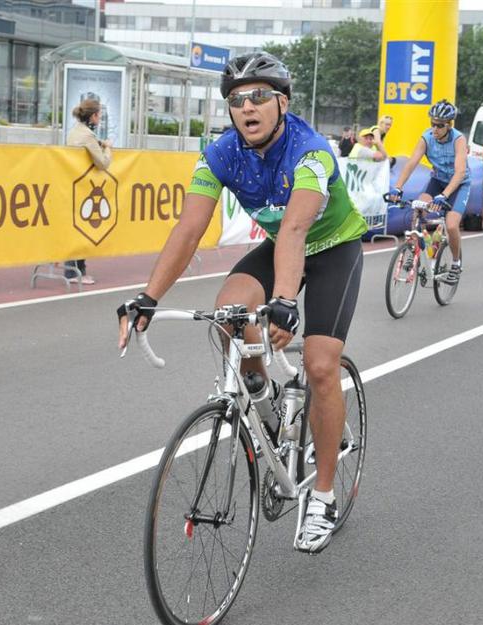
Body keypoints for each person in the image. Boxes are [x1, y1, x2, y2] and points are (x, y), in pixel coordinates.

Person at [116, 51, 367, 554]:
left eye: (258, 96)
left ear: (282, 103)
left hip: (332, 250)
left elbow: (295, 228)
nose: (247, 106)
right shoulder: (220, 154)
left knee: (320, 365)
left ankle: (321, 497)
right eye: (236, 100)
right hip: (281, 248)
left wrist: (284, 301)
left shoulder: (311, 152)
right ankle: (263, 396)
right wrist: (148, 297)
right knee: (229, 311)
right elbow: (189, 229)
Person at [388, 99, 468, 285]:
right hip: (437, 181)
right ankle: (415, 250)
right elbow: (411, 163)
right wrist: (398, 187)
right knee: (418, 209)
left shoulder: (458, 139)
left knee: (451, 225)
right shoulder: (427, 137)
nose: (435, 129)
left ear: (449, 125)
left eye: (440, 125)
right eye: (433, 123)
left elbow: (460, 172)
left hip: (458, 184)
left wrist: (444, 196)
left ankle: (456, 263)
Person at [65, 98, 113, 285]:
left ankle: (74, 270)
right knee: (81, 231)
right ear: (93, 116)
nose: (100, 118)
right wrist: (108, 148)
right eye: (99, 114)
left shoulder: (75, 132)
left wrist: (99, 143)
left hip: (72, 185)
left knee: (74, 229)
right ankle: (75, 272)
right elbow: (102, 163)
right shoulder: (87, 136)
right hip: (84, 188)